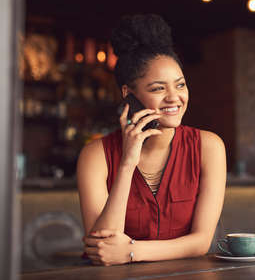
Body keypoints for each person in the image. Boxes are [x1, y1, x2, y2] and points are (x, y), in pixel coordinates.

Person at [76, 14, 227, 266]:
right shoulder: (95, 155)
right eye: (158, 89)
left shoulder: (209, 147)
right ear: (129, 94)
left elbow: (201, 242)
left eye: (180, 85)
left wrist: (131, 252)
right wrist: (127, 163)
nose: (174, 97)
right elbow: (101, 249)